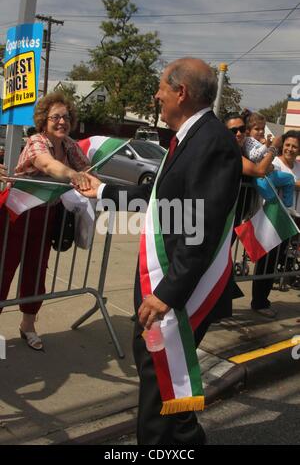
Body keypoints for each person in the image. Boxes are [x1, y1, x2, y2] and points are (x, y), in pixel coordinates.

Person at [75, 58, 242, 445]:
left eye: (161, 87)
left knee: (157, 376)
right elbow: (156, 199)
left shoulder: (211, 143)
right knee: (165, 376)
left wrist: (167, 294)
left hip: (176, 288)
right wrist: (100, 190)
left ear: (181, 92)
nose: (156, 95)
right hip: (170, 284)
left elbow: (201, 227)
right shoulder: (189, 137)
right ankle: (186, 440)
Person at [0, 91, 91, 350]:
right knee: (3, 270)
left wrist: (91, 178)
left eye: (66, 117)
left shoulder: (70, 145)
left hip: (46, 214)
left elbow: (87, 167)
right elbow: (48, 165)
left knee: (37, 269)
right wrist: (75, 175)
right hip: (17, 214)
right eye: (55, 117)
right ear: (43, 120)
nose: (62, 121)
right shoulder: (36, 141)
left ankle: (28, 324)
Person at [251, 130, 300, 318]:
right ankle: (259, 301)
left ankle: (264, 298)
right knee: (266, 262)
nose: (289, 149)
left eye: (294, 146)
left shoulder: (297, 166)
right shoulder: (275, 163)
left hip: (289, 220)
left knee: (276, 262)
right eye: (287, 145)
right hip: (271, 219)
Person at [243, 112, 298, 216]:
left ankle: (288, 206)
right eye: (257, 129)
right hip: (259, 177)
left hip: (269, 173)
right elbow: (254, 156)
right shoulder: (249, 140)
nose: (261, 132)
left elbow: (270, 155)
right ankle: (274, 214)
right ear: (248, 131)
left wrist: (267, 145)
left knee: (289, 178)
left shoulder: (259, 141)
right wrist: (268, 146)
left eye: (262, 129)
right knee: (272, 199)